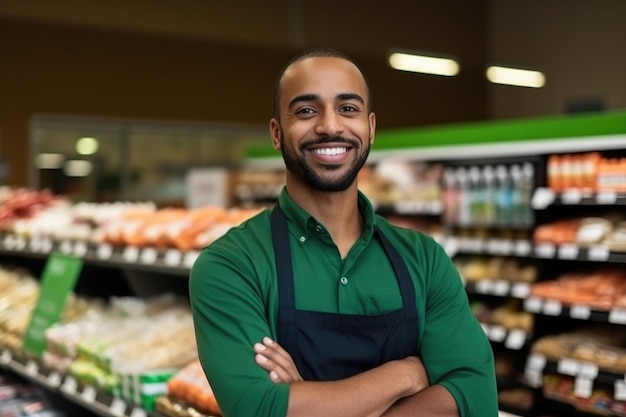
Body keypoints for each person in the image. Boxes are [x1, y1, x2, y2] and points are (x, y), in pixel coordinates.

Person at [189, 47, 498, 417]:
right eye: (306, 110)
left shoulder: (425, 258)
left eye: (347, 109)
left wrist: (308, 399)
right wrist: (404, 374)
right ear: (276, 133)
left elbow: (475, 397)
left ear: (370, 128)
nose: (330, 126)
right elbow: (256, 408)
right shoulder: (231, 265)